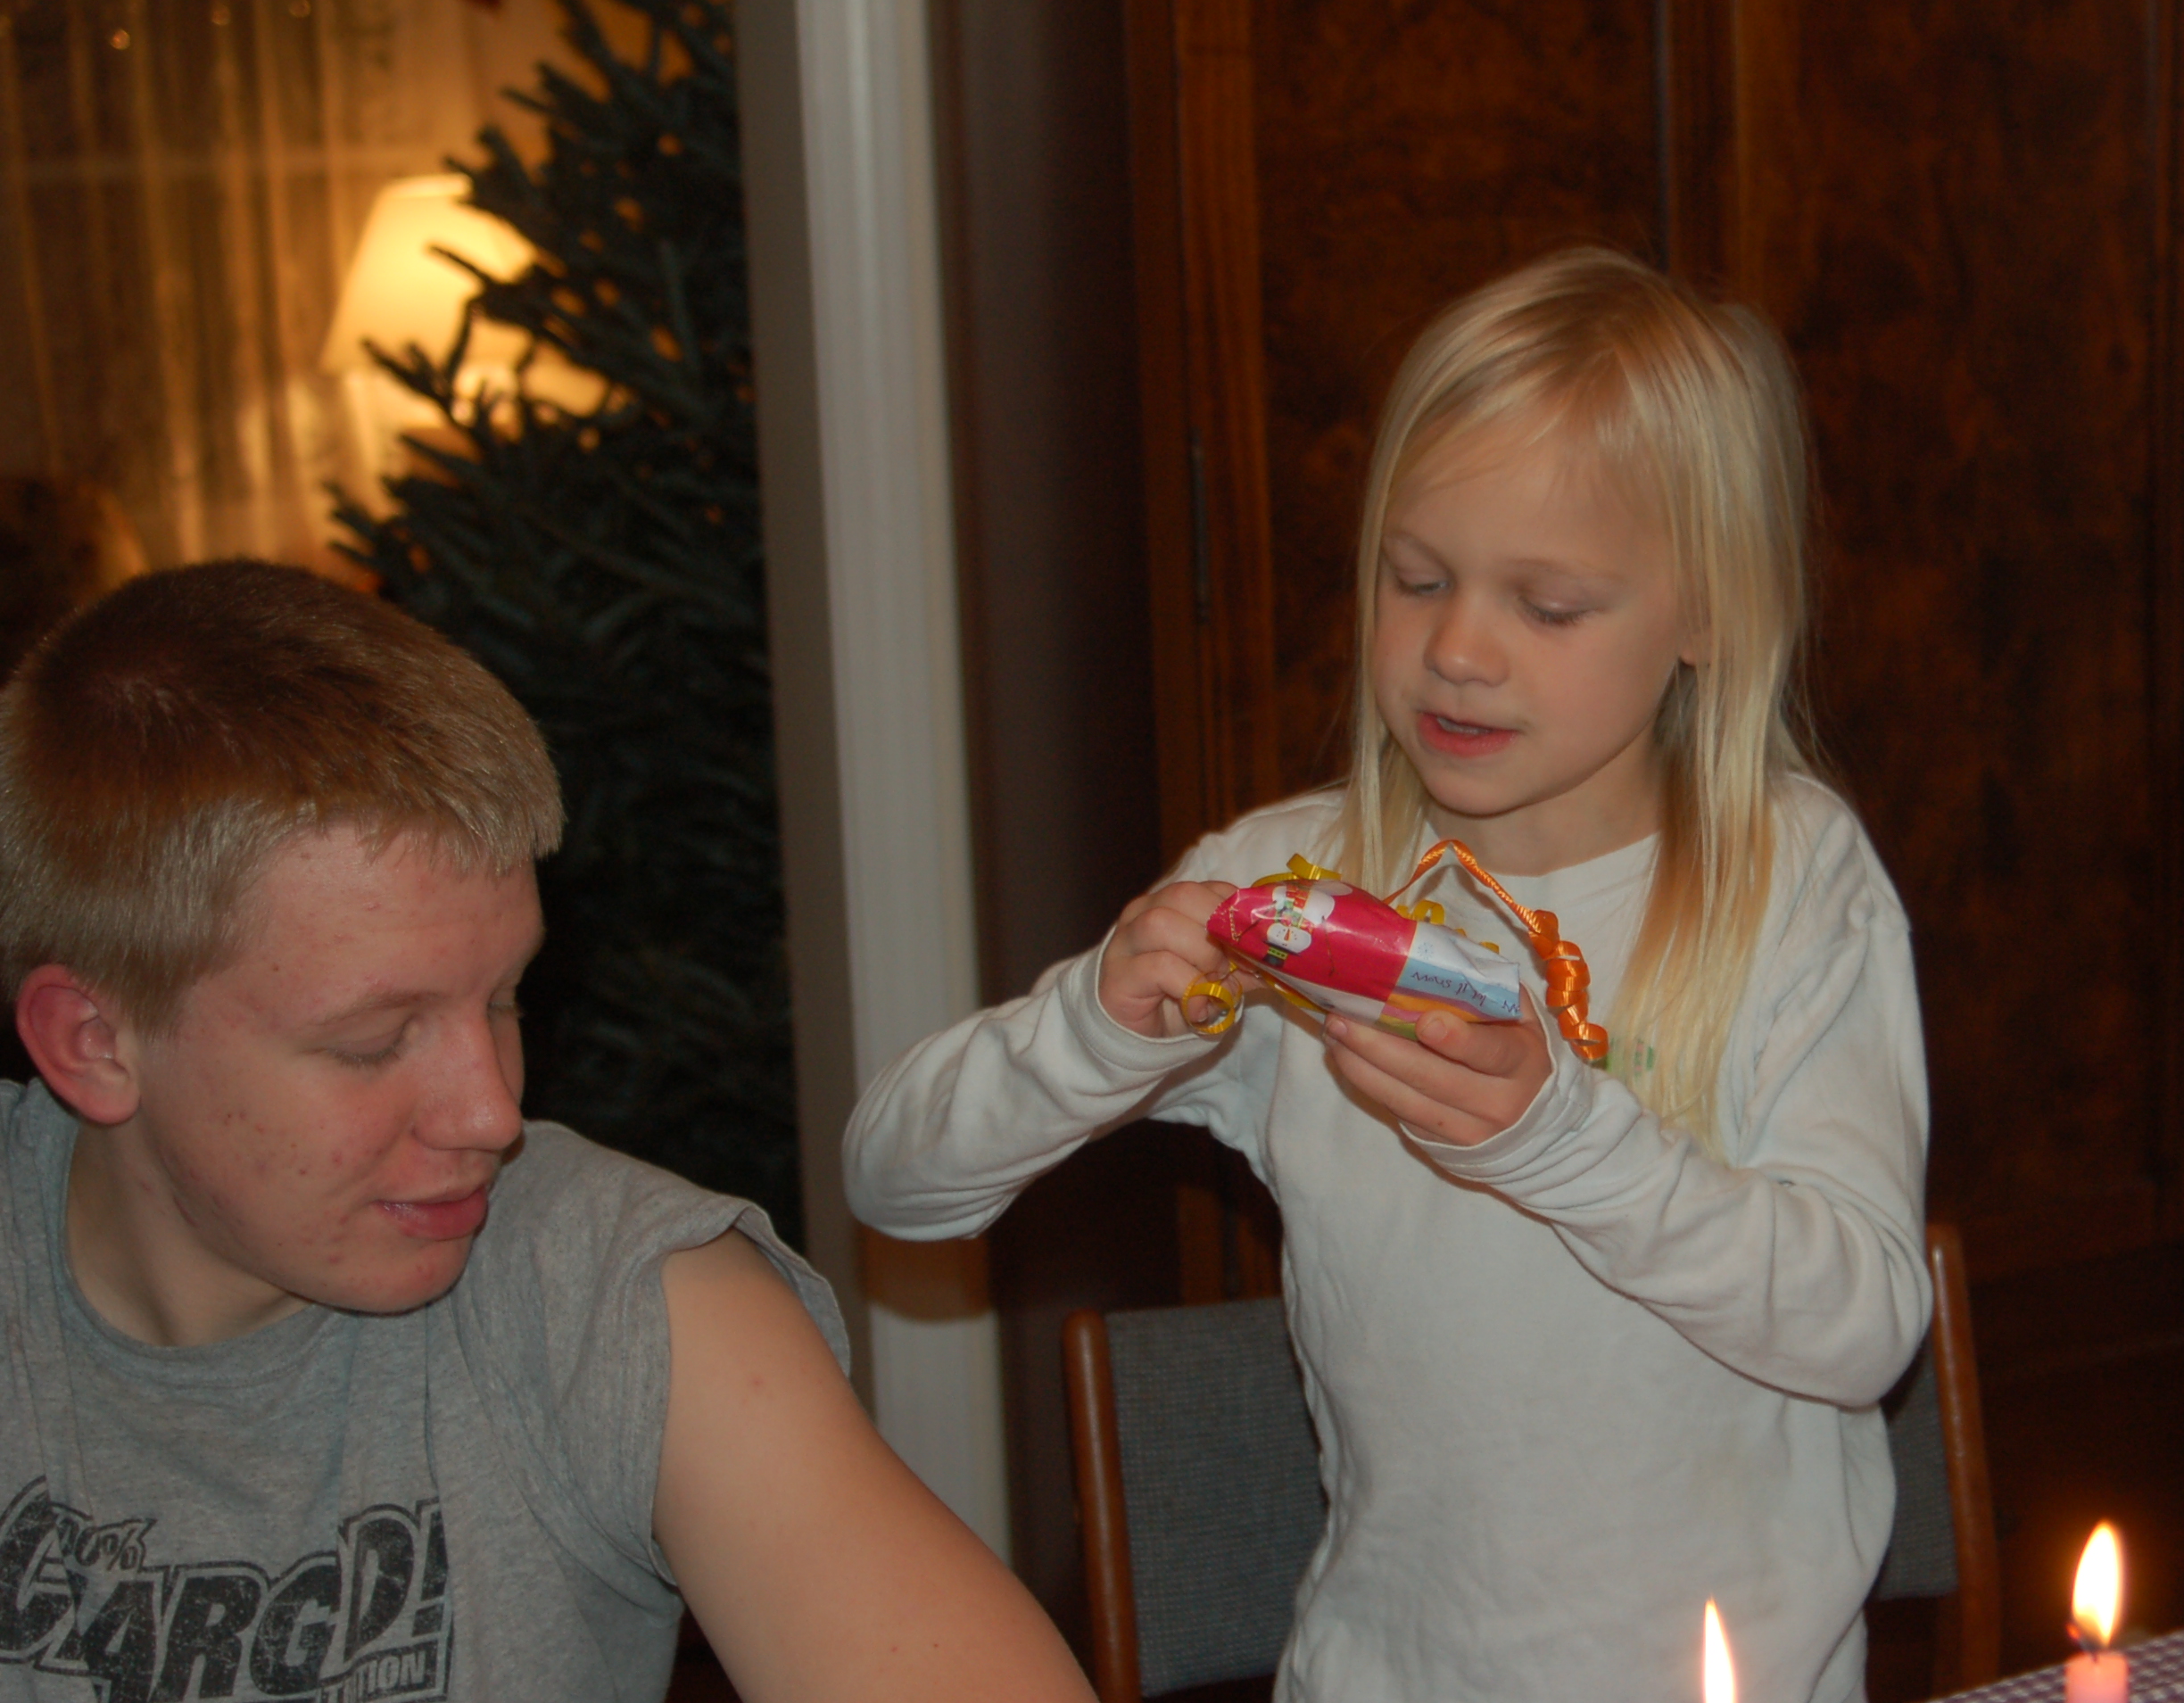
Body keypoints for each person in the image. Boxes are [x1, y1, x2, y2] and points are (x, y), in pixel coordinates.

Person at [846, 248, 1932, 1701]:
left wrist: (1557, 1137)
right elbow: (895, 1180)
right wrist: (1095, 1030)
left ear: (1707, 617)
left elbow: (1863, 1329)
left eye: (1549, 606)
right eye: (1416, 579)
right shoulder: (1300, 891)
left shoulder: (1787, 878)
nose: (1457, 649)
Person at [0, 560, 1095, 1703]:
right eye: (374, 1039)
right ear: (94, 1041)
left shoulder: (617, 1295)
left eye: (504, 997)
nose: (491, 1112)